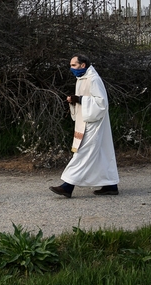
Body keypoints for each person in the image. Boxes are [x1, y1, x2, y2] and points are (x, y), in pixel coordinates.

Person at [49, 54, 119, 198]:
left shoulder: (93, 79)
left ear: (83, 65)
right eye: (70, 65)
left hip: (94, 123)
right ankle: (110, 185)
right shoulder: (82, 79)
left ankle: (67, 186)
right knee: (100, 153)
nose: (71, 68)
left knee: (83, 152)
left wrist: (80, 99)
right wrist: (74, 101)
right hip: (86, 121)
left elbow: (101, 103)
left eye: (74, 65)